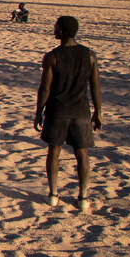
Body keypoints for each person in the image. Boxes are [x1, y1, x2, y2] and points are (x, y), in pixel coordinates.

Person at [35, 15, 103, 211]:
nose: (54, 29)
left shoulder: (53, 56)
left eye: (56, 27)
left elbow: (45, 88)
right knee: (82, 154)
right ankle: (83, 196)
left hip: (57, 111)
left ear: (63, 32)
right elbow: (95, 87)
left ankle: (54, 193)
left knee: (54, 151)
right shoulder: (89, 55)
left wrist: (39, 110)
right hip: (81, 111)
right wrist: (98, 111)